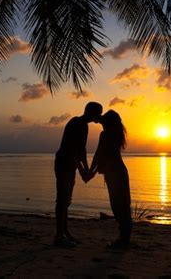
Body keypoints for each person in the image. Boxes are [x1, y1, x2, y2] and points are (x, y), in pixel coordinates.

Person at [54, 102, 103, 247]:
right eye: (99, 113)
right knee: (62, 199)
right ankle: (59, 236)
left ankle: (65, 232)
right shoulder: (77, 123)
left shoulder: (83, 125)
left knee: (67, 199)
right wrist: (83, 171)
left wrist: (86, 168)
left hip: (70, 165)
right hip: (64, 163)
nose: (99, 116)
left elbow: (82, 150)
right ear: (92, 113)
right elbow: (72, 149)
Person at [89, 110, 132, 249]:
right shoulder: (117, 133)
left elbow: (98, 154)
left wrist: (90, 172)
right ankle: (124, 238)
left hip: (114, 174)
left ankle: (123, 240)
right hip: (120, 171)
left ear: (108, 123)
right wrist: (98, 118)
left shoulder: (105, 134)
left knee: (117, 206)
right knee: (123, 206)